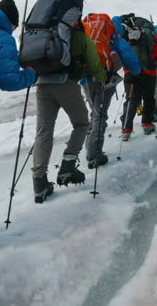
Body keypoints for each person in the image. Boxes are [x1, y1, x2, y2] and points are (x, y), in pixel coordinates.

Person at [32, 20, 106, 204]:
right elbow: (95, 65)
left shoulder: (44, 33)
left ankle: (39, 184)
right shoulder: (80, 36)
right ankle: (67, 165)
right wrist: (103, 78)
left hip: (42, 85)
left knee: (43, 132)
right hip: (66, 84)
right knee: (81, 124)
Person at [81, 15, 140, 169]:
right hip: (104, 80)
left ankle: (90, 150)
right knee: (100, 115)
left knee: (93, 113)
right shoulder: (115, 39)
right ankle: (95, 155)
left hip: (85, 79)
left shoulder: (87, 34)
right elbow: (134, 67)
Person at [120, 15, 157, 140]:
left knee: (131, 100)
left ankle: (126, 129)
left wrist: (126, 70)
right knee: (149, 98)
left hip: (131, 73)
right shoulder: (151, 37)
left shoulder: (127, 36)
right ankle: (147, 125)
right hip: (149, 74)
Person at [0, 0, 36, 90]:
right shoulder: (4, 38)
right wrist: (30, 73)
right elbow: (10, 81)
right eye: (15, 27)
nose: (13, 30)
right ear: (10, 22)